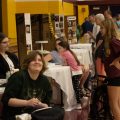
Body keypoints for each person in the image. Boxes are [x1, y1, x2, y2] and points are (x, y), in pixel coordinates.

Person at [1, 50, 52, 120]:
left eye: (40, 60)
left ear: (43, 64)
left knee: (59, 112)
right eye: (33, 60)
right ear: (28, 63)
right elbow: (7, 100)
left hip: (35, 114)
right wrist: (27, 102)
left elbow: (47, 104)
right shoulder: (18, 77)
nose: (37, 62)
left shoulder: (45, 80)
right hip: (16, 116)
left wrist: (41, 105)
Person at [57, 40, 90, 108]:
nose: (59, 50)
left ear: (64, 48)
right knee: (76, 87)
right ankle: (80, 100)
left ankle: (79, 103)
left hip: (75, 73)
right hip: (78, 71)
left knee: (76, 88)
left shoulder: (64, 53)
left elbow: (65, 64)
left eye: (60, 48)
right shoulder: (69, 52)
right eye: (58, 48)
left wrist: (62, 64)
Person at [100, 19, 120, 120]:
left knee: (113, 104)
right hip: (114, 76)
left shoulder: (112, 40)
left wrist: (116, 61)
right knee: (117, 104)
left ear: (108, 29)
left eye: (102, 28)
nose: (100, 30)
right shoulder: (108, 41)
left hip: (115, 76)